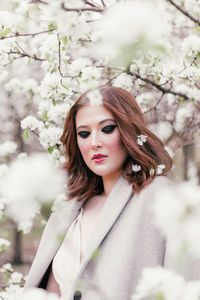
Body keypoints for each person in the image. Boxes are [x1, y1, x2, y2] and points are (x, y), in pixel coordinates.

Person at [24, 85, 173, 300]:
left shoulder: (159, 197)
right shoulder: (68, 207)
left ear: (129, 130)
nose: (94, 143)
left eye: (107, 129)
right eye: (84, 133)